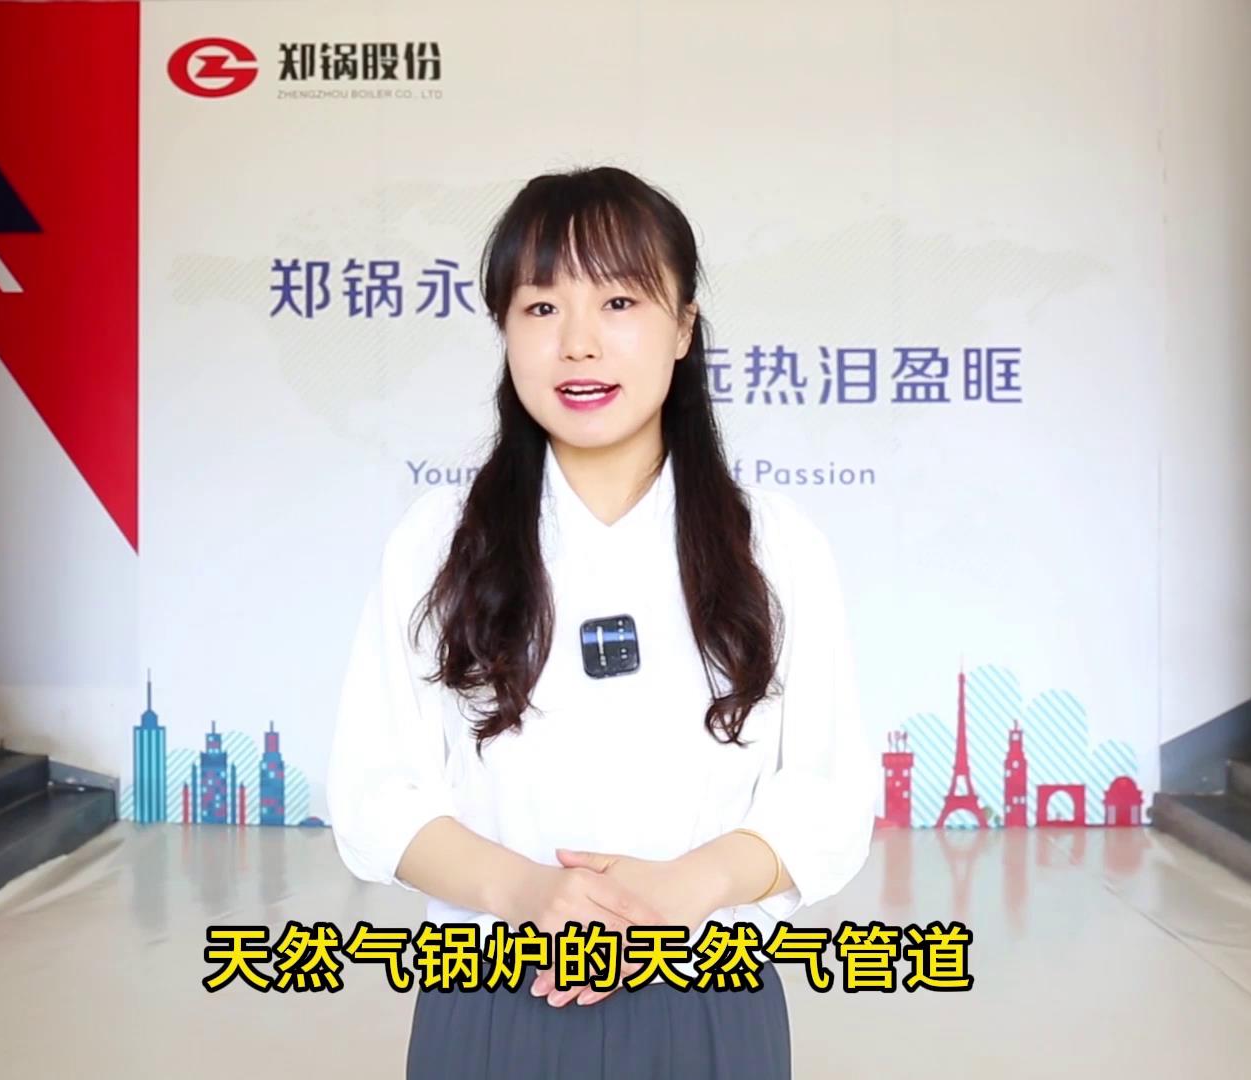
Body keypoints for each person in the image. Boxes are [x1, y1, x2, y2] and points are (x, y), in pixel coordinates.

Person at [327, 165, 877, 1079]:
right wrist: (530, 893)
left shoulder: (773, 545)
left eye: (619, 302)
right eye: (541, 308)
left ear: (684, 328)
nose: (578, 344)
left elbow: (828, 797)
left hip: (710, 1003)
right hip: (492, 1001)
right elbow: (375, 795)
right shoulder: (439, 542)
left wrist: (680, 892)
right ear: (505, 329)